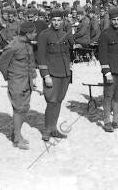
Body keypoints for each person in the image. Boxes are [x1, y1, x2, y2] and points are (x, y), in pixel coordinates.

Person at [0, 21, 37, 150]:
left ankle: (17, 134)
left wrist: (33, 78)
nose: (36, 34)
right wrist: (10, 78)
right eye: (34, 33)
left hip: (27, 81)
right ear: (27, 34)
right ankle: (16, 138)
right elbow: (2, 63)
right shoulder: (13, 46)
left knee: (24, 108)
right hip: (17, 82)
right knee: (18, 109)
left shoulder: (28, 44)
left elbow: (31, 62)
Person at [37, 9, 74, 141]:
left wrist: (69, 67)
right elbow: (41, 57)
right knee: (51, 102)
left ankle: (53, 129)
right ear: (50, 21)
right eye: (54, 20)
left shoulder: (65, 34)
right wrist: (45, 75)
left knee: (58, 101)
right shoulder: (44, 35)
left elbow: (67, 52)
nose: (56, 23)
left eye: (59, 20)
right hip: (52, 73)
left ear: (62, 21)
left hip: (64, 73)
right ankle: (47, 130)